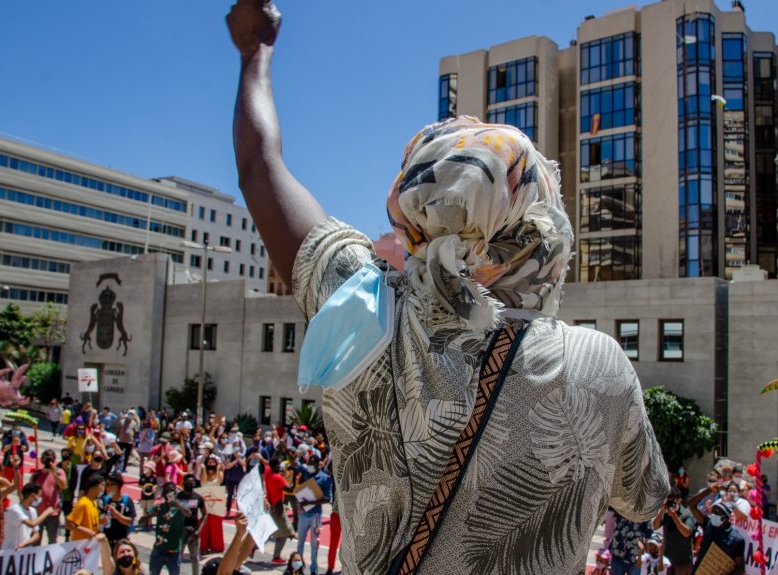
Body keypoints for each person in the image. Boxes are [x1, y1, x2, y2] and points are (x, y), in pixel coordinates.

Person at [225, 3, 670, 573]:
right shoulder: (600, 364)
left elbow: (259, 168)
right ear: (539, 228)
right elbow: (644, 497)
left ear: (415, 211)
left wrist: (254, 53)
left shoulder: (365, 314)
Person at [687, 495, 744, 575]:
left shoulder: (736, 540)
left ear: (725, 518)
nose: (713, 515)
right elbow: (691, 505)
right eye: (713, 511)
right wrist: (709, 489)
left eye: (717, 513)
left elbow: (741, 569)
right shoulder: (707, 524)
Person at [145, 482, 192, 575]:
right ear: (163, 494)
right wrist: (151, 514)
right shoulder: (159, 507)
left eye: (172, 491)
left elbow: (189, 513)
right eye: (167, 491)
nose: (170, 493)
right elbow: (141, 520)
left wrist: (178, 504)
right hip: (159, 549)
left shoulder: (180, 507)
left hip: (174, 551)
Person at [296, 455, 331, 575]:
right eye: (308, 464)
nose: (309, 467)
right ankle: (297, 569)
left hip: (315, 515)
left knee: (314, 544)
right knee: (300, 542)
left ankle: (313, 570)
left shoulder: (325, 478)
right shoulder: (306, 474)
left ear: (318, 464)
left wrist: (310, 502)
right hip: (303, 514)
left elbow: (327, 498)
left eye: (312, 464)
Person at [654, 487, 696, 575]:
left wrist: (674, 515)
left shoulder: (687, 514)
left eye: (673, 500)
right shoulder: (666, 514)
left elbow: (686, 533)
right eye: (669, 501)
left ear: (679, 500)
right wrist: (662, 510)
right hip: (668, 559)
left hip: (683, 561)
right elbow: (654, 526)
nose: (671, 503)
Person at [31, 449, 68, 545]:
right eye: (46, 458)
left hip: (53, 513)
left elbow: (64, 486)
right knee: (36, 540)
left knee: (52, 540)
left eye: (50, 459)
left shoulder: (59, 472)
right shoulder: (37, 474)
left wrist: (53, 472)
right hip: (38, 513)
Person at [3, 483, 53, 550]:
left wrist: (25, 544)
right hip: (10, 550)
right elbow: (31, 524)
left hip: (24, 551)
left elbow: (36, 534)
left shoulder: (32, 511)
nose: (40, 499)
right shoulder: (14, 509)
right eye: (39, 496)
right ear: (32, 496)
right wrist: (46, 513)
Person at [264, 457, 294, 565]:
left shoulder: (268, 474)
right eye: (277, 466)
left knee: (276, 531)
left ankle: (251, 548)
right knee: (283, 533)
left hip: (272, 505)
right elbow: (290, 489)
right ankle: (276, 557)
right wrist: (294, 477)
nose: (279, 468)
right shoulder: (277, 478)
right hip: (278, 508)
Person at [177, 474, 208, 575]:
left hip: (193, 531)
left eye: (192, 483)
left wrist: (199, 530)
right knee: (177, 556)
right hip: (180, 530)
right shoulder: (178, 496)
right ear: (183, 482)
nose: (190, 485)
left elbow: (205, 514)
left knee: (195, 558)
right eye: (188, 483)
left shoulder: (198, 497)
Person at [100, 473, 137, 547]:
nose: (105, 488)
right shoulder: (105, 500)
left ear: (115, 487)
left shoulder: (126, 501)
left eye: (107, 485)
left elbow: (130, 521)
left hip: (120, 541)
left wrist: (116, 514)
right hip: (106, 540)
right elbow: (100, 518)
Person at [67, 474, 106, 541]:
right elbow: (69, 524)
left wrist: (103, 515)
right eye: (102, 485)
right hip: (80, 545)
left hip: (90, 544)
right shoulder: (83, 503)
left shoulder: (94, 503)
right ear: (94, 486)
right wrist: (88, 532)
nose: (103, 489)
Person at [199, 458, 225, 554]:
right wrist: (204, 469)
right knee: (204, 525)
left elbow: (220, 481)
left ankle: (216, 546)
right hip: (205, 501)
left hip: (216, 503)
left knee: (216, 526)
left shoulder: (220, 472)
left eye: (213, 462)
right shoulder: (202, 472)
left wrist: (218, 469)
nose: (212, 464)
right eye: (210, 462)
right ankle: (204, 547)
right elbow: (204, 481)